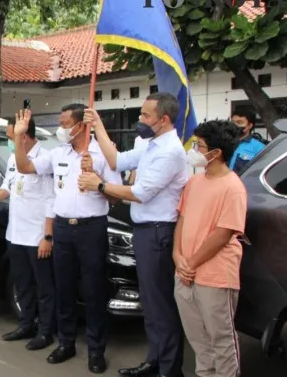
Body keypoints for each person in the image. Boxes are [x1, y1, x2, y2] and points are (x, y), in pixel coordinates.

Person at [79, 92, 188, 377]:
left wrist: (99, 186)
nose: (140, 119)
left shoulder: (171, 151)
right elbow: (117, 160)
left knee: (160, 306)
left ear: (163, 120)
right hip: (144, 232)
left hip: (158, 232)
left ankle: (169, 369)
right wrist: (98, 125)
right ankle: (155, 361)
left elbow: (140, 193)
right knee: (150, 306)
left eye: (145, 115)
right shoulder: (152, 144)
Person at [15, 104, 121, 374]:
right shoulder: (57, 153)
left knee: (94, 290)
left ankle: (96, 350)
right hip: (63, 228)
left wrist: (96, 179)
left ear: (81, 125)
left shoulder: (103, 153)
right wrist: (19, 136)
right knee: (64, 288)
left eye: (64, 123)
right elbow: (25, 167)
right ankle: (66, 342)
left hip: (91, 228)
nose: (60, 129)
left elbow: (115, 197)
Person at [174, 120, 247, 377]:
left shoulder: (233, 187)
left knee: (221, 340)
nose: (194, 150)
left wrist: (190, 264)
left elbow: (223, 233)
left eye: (199, 145)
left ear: (216, 153)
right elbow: (182, 218)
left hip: (215, 277)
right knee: (199, 342)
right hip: (185, 274)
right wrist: (178, 257)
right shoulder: (195, 182)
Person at [0, 117, 57, 351]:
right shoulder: (12, 158)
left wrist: (47, 237)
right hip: (15, 233)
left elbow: (51, 200)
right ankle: (26, 323)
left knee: (44, 287)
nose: (9, 142)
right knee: (23, 283)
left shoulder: (45, 160)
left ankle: (46, 331)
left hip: (36, 236)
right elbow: (8, 183)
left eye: (11, 137)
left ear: (24, 136)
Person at [229, 108, 266, 173]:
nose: (234, 125)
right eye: (232, 122)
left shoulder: (260, 148)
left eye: (239, 122)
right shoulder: (224, 143)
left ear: (249, 125)